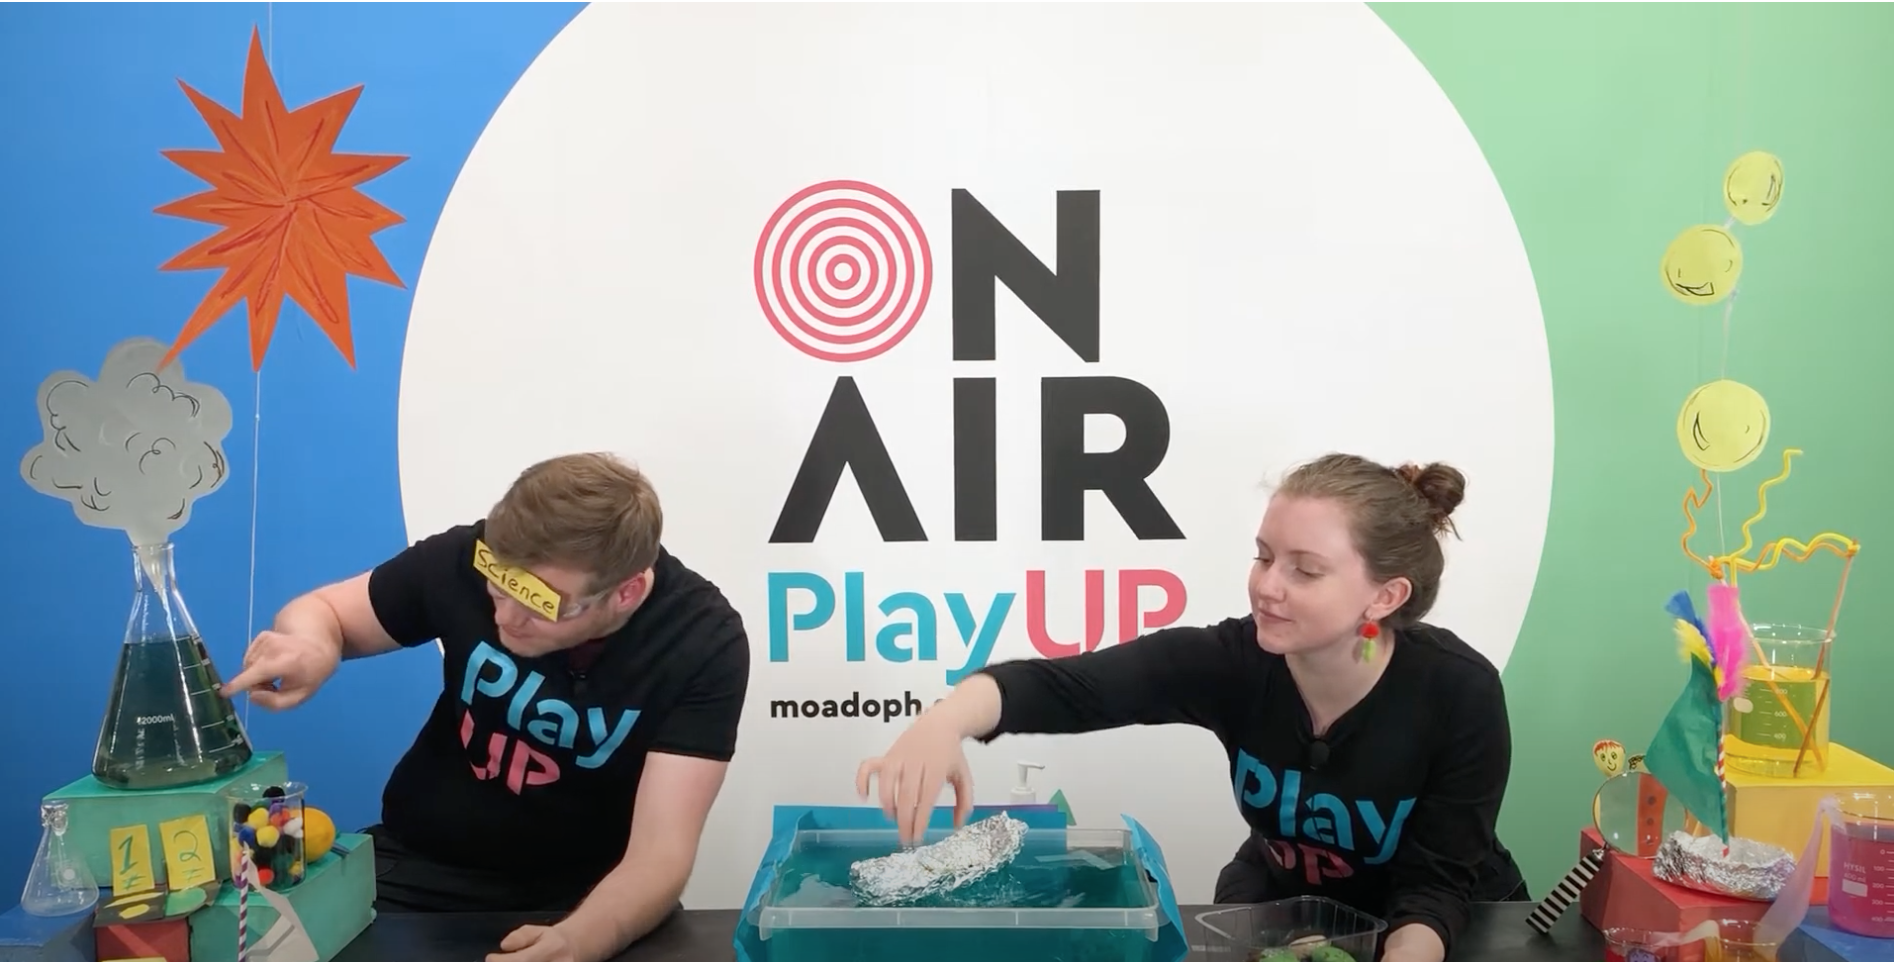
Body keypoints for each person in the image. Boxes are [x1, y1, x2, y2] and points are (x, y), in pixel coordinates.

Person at [855, 453, 1526, 962]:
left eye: (1305, 569)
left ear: (1384, 597)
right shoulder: (1235, 661)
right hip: (1288, 911)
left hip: (1446, 932)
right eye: (1264, 557)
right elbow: (1072, 687)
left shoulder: (1457, 693)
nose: (1268, 586)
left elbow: (1433, 888)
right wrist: (945, 720)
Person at [224, 452, 751, 962]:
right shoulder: (469, 554)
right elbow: (326, 612)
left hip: (589, 895)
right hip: (418, 867)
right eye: (499, 583)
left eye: (541, 602)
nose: (508, 616)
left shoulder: (701, 640)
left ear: (627, 592)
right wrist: (314, 646)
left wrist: (579, 941)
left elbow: (659, 855)